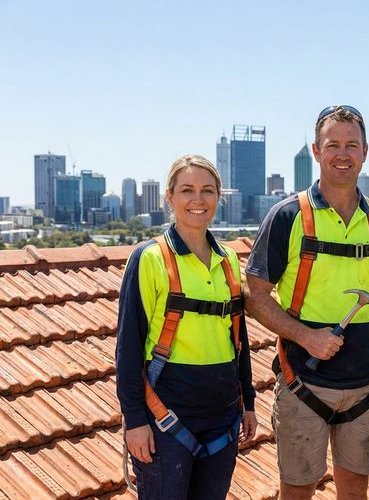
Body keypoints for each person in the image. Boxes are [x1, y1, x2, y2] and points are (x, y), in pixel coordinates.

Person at [245, 105, 369, 500]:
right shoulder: (288, 216)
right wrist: (306, 337)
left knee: (354, 490)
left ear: (365, 152)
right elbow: (254, 296)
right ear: (316, 152)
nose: (342, 153)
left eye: (352, 145)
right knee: (298, 490)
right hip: (305, 384)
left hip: (365, 388)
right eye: (332, 144)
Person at [115, 154, 257, 499]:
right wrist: (134, 420)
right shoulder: (149, 258)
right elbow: (128, 347)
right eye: (187, 190)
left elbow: (238, 338)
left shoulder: (228, 262)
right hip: (167, 415)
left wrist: (248, 402)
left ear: (218, 198)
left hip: (223, 415)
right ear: (170, 197)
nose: (198, 200)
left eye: (208, 191)